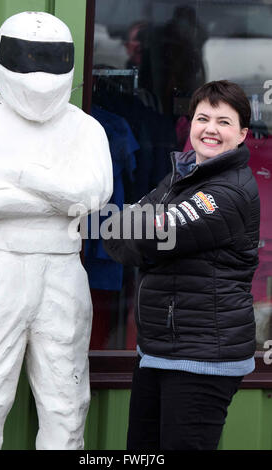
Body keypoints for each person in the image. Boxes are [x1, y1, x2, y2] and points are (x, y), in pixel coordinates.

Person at [0, 12, 112, 450]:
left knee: (66, 404)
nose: (39, 72)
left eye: (52, 59)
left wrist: (22, 174)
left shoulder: (86, 128)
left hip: (62, 272)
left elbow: (92, 199)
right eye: (28, 56)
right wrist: (59, 196)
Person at [103, 80, 260, 450]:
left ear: (242, 133)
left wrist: (144, 233)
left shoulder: (228, 192)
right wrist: (143, 232)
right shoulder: (181, 176)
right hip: (158, 351)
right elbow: (115, 231)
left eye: (224, 122)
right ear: (189, 123)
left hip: (202, 358)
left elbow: (149, 236)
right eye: (203, 118)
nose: (211, 129)